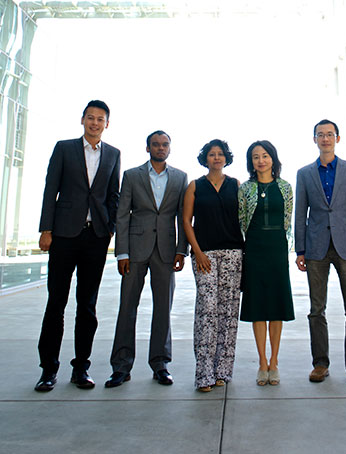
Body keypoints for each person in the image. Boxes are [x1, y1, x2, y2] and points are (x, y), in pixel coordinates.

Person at [35, 100, 120, 392]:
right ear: (82, 120)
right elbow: (50, 189)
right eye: (91, 118)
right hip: (63, 236)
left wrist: (109, 229)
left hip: (95, 238)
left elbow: (113, 195)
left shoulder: (113, 154)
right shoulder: (64, 148)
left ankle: (81, 368)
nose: (95, 123)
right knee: (56, 302)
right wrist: (46, 229)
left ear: (107, 124)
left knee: (88, 305)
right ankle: (48, 370)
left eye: (100, 119)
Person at [104, 130, 187, 388]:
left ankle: (160, 364)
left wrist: (181, 250)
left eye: (165, 145)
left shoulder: (180, 178)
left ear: (170, 149)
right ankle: (121, 365)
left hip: (165, 251)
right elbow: (122, 215)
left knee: (163, 308)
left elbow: (183, 217)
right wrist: (122, 252)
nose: (160, 148)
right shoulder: (131, 176)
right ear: (147, 147)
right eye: (156, 144)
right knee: (127, 307)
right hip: (135, 250)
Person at [295, 119, 346, 386]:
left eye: (329, 134)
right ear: (314, 139)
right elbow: (300, 213)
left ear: (337, 138)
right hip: (316, 247)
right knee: (316, 309)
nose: (325, 139)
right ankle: (320, 363)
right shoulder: (304, 173)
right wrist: (300, 249)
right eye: (320, 135)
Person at [183, 139, 243, 392]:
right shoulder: (195, 186)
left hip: (233, 254)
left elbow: (243, 220)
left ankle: (222, 372)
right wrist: (197, 252)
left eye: (220, 154)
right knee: (207, 312)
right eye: (211, 154)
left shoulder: (236, 185)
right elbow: (186, 221)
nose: (216, 158)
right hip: (204, 254)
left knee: (228, 314)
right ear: (205, 158)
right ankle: (204, 374)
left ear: (226, 158)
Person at [239, 140, 294, 386]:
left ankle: (275, 361)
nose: (260, 161)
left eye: (264, 156)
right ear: (251, 162)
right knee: (258, 305)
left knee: (276, 305)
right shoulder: (245, 188)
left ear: (273, 158)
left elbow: (288, 220)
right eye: (255, 157)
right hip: (254, 248)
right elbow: (241, 220)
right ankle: (262, 362)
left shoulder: (285, 187)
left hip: (277, 248)